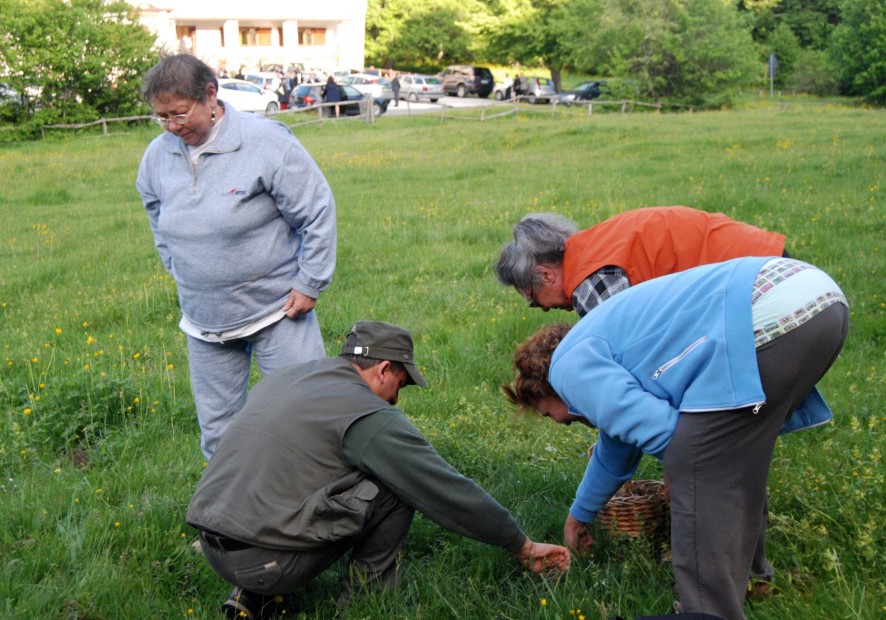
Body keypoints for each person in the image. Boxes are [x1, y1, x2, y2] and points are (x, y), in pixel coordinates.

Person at [503, 256, 849, 620]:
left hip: (766, 315)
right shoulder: (597, 343)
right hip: (814, 300)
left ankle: (707, 611)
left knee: (694, 463)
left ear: (545, 389)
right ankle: (752, 579)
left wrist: (680, 470)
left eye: (548, 414)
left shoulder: (566, 369)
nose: (560, 422)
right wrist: (579, 514)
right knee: (735, 461)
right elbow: (617, 447)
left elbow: (670, 437)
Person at [188, 320, 571, 618]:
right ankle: (365, 603)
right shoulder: (365, 412)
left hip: (212, 545)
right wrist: (520, 544)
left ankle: (255, 597)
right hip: (265, 563)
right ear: (384, 369)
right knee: (394, 485)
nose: (395, 400)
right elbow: (443, 488)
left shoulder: (288, 378)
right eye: (399, 386)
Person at [136, 53, 336, 459]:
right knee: (219, 435)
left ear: (210, 95)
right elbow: (155, 211)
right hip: (204, 320)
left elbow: (317, 210)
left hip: (278, 311)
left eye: (180, 113)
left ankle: (321, 495)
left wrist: (310, 281)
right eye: (162, 117)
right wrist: (176, 265)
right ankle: (232, 501)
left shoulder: (265, 142)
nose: (172, 126)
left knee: (306, 416)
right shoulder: (158, 155)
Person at [495, 206, 786, 317]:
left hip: (756, 280)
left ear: (546, 275)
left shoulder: (589, 282)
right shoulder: (592, 245)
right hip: (764, 257)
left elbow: (627, 354)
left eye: (534, 301)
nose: (545, 309)